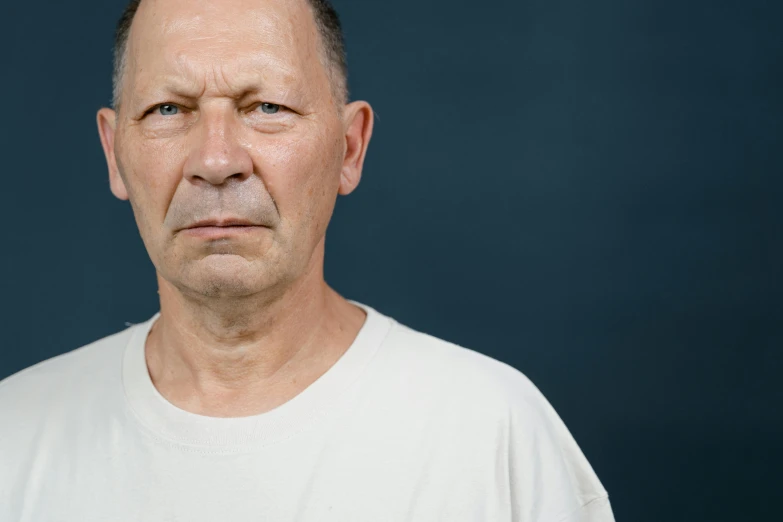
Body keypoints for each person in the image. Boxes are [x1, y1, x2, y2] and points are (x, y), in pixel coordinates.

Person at [0, 0, 615, 520]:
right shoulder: (15, 438)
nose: (216, 161)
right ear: (114, 152)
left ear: (350, 147)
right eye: (169, 110)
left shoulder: (493, 435)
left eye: (267, 107)